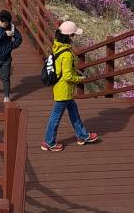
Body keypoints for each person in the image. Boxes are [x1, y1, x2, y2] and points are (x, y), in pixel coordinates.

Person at [41, 21, 99, 152]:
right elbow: (67, 76)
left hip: (61, 88)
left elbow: (63, 70)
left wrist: (74, 72)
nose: (74, 37)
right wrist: (79, 79)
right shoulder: (66, 54)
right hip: (64, 89)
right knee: (55, 116)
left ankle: (82, 135)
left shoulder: (58, 47)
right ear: (69, 36)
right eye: (73, 35)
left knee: (73, 111)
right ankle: (49, 142)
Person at [0, 10, 22, 103]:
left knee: (6, 77)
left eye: (6, 22)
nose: (4, 24)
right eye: (2, 22)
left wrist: (12, 45)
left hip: (6, 58)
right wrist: (4, 34)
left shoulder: (12, 27)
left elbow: (19, 38)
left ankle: (6, 96)